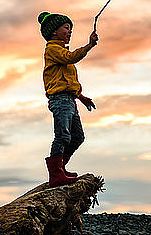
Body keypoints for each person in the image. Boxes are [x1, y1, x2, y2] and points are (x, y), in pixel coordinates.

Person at [38, 11, 98, 187]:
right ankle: (56, 175)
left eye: (70, 28)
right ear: (54, 31)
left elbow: (69, 82)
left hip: (69, 100)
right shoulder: (53, 49)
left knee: (77, 136)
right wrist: (89, 46)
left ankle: (61, 168)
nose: (70, 31)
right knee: (63, 135)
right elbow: (70, 58)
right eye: (66, 27)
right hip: (59, 100)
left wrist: (81, 97)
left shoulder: (61, 51)